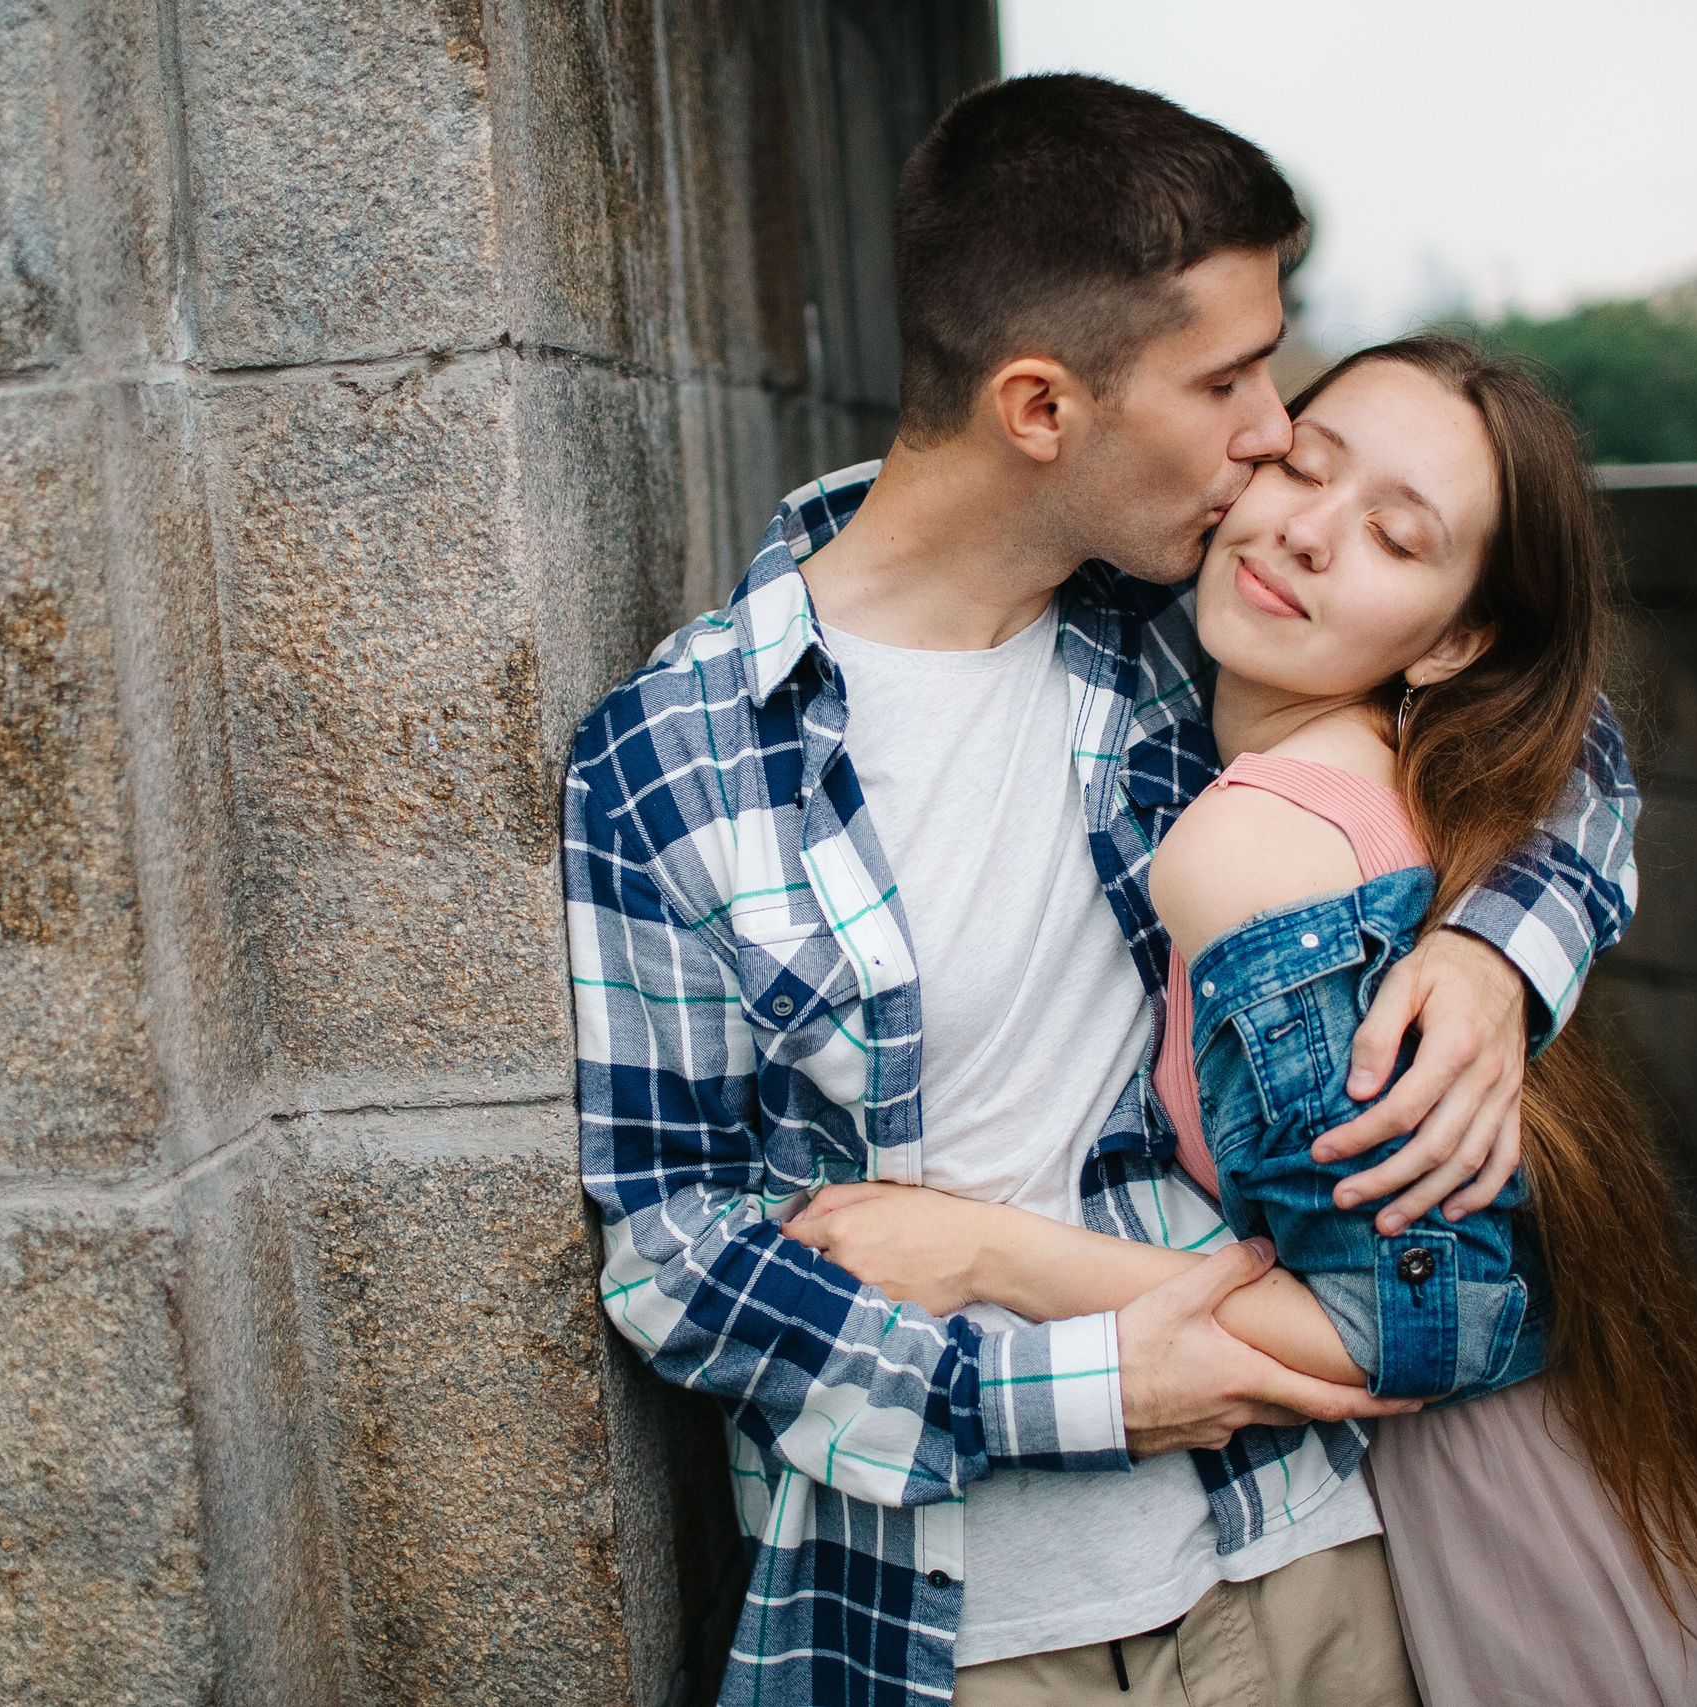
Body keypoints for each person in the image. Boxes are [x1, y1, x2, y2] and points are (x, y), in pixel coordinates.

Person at [567, 75, 1638, 1707]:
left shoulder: (1186, 631)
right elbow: (671, 1246)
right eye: (1228, 379)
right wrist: (1077, 1385)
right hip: (946, 1627)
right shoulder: (677, 758)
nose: (1272, 432)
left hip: (1295, 1559)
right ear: (1040, 408)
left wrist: (1498, 958)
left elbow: (1558, 729)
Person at [791, 337, 1697, 1705]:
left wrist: (988, 1253)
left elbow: (1408, 1329)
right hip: (1590, 1462)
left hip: (1496, 1509)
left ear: (1455, 640)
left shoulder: (1256, 842)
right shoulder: (1425, 764)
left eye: (1396, 537)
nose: (1311, 534)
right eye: (1303, 466)